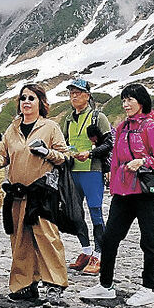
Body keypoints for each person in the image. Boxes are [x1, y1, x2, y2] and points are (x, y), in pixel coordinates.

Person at [79, 84, 154, 307]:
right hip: (122, 192)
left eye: (130, 99)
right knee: (110, 238)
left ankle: (150, 287)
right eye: (124, 100)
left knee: (149, 239)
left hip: (144, 193)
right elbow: (116, 160)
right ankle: (105, 285)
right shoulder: (121, 128)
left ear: (141, 101)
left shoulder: (152, 128)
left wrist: (143, 161)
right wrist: (113, 185)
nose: (126, 104)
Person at [0, 83, 70, 307]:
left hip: (41, 192)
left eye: (31, 98)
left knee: (47, 237)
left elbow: (64, 157)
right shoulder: (12, 129)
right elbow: (4, 156)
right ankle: (25, 285)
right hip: (17, 193)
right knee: (20, 239)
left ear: (40, 102)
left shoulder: (50, 127)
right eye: (23, 98)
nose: (26, 101)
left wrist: (46, 151)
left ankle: (54, 285)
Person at [61, 77, 113, 276]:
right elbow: (63, 142)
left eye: (78, 93)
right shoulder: (68, 118)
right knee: (75, 214)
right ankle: (86, 251)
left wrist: (90, 153)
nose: (74, 96)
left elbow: (109, 144)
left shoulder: (98, 117)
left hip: (92, 170)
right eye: (71, 93)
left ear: (87, 96)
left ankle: (100, 255)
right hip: (73, 171)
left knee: (95, 212)